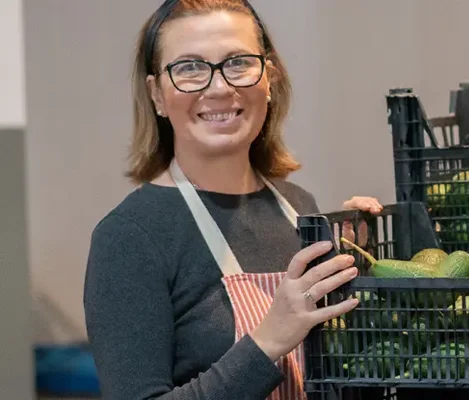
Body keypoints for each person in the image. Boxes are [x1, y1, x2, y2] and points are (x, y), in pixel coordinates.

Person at [83, 1, 381, 398]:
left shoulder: (300, 207)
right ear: (157, 94)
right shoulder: (128, 238)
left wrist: (363, 264)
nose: (220, 87)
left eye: (238, 62)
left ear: (269, 78)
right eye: (189, 68)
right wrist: (268, 342)